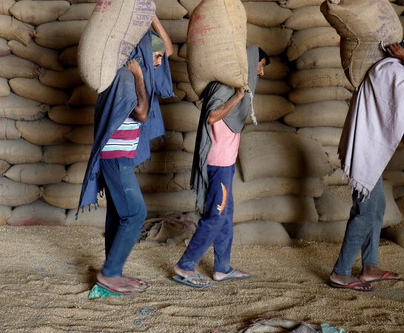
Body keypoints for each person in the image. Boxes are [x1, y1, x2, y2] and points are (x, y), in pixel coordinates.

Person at [329, 37, 404, 292]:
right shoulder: (390, 71)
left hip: (370, 152)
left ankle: (369, 267)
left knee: (376, 208)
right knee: (365, 212)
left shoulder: (395, 74)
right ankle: (340, 273)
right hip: (366, 152)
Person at [78, 17, 174, 296]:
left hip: (119, 156)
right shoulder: (126, 77)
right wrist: (141, 77)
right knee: (136, 213)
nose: (159, 62)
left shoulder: (132, 71)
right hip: (115, 157)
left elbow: (167, 50)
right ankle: (109, 274)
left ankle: (113, 270)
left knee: (119, 212)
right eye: (154, 57)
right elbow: (142, 113)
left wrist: (153, 20)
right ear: (143, 54)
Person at [173, 46, 269, 289]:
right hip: (217, 164)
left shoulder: (233, 87)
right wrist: (237, 96)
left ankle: (222, 268)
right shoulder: (226, 89)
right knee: (215, 216)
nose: (261, 72)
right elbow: (212, 117)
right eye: (261, 65)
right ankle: (185, 265)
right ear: (251, 62)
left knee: (225, 216)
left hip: (225, 163)